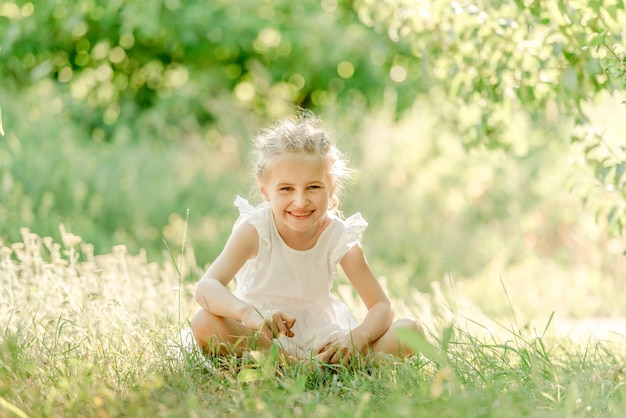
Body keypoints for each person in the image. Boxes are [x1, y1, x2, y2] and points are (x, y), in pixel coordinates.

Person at [190, 110, 422, 364]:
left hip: (323, 339)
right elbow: (206, 288)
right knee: (204, 322)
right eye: (286, 188)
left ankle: (325, 365)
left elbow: (382, 307)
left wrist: (356, 338)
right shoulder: (256, 229)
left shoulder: (338, 237)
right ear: (265, 190)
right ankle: (292, 365)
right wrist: (250, 315)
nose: (300, 201)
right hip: (262, 336)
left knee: (410, 331)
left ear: (331, 186)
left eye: (313, 187)